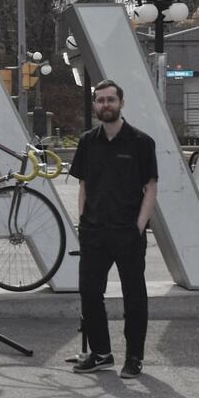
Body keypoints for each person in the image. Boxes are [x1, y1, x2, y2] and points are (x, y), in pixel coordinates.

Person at [68, 80, 158, 378]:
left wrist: (138, 226)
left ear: (121, 103)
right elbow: (83, 185)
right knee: (89, 293)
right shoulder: (87, 141)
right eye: (100, 101)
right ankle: (102, 353)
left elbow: (151, 188)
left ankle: (134, 357)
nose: (105, 105)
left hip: (127, 233)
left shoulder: (141, 142)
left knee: (134, 295)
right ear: (94, 105)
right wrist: (82, 220)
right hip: (94, 232)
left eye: (110, 100)